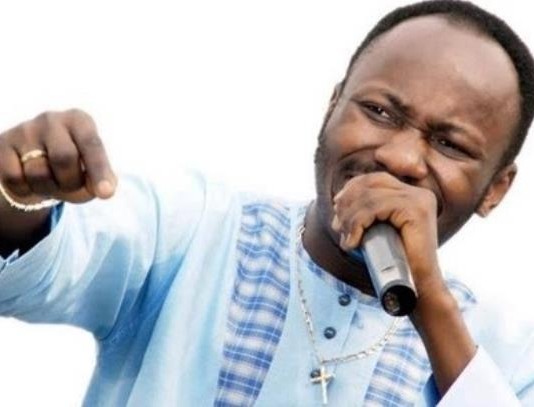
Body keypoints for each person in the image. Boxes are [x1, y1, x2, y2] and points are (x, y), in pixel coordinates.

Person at [0, 0, 533, 405]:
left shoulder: (509, 356)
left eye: (449, 144)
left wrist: (431, 305)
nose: (399, 158)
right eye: (379, 111)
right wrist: (16, 195)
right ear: (332, 106)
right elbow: (52, 258)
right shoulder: (192, 232)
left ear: (496, 189)